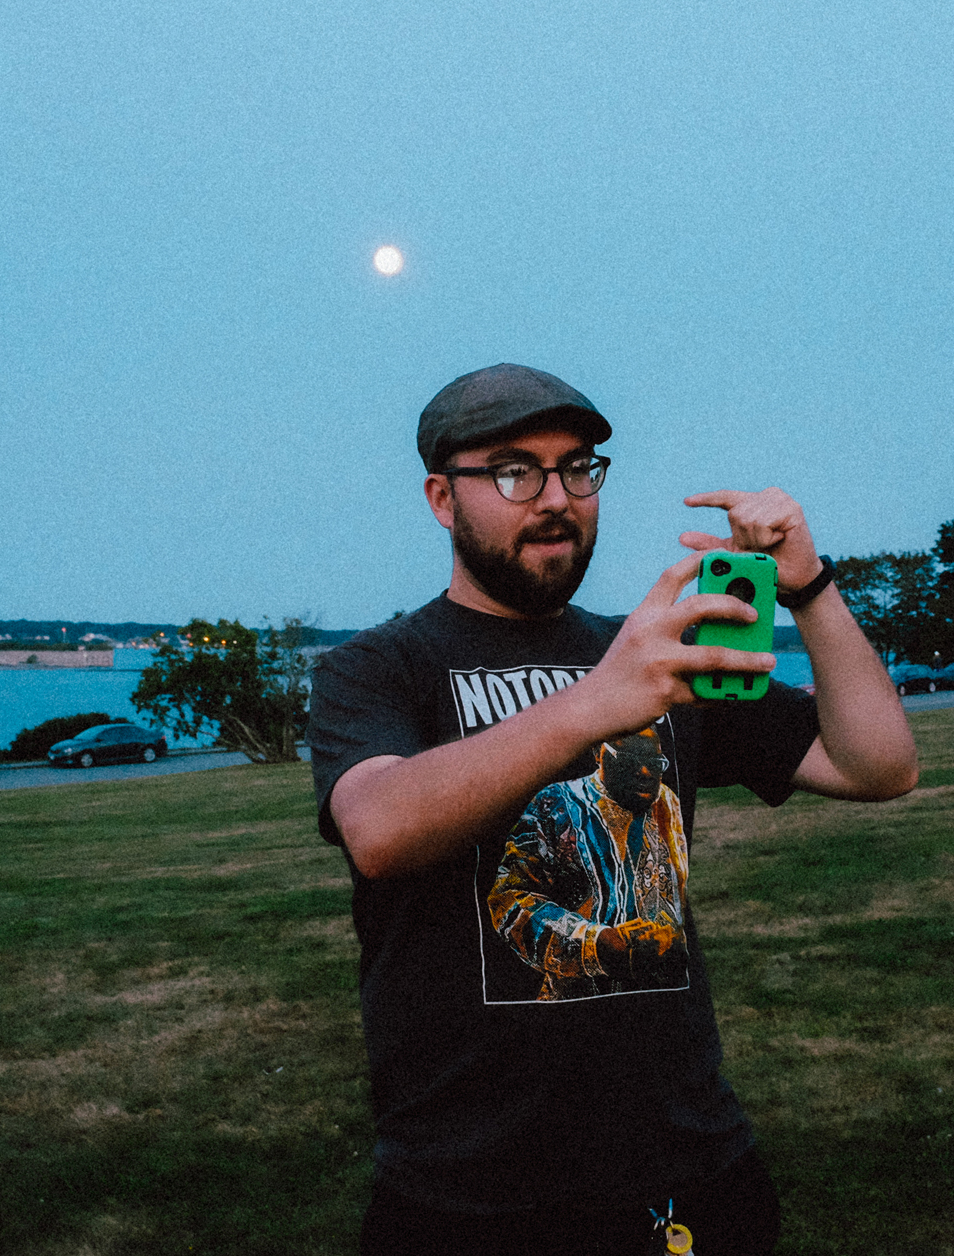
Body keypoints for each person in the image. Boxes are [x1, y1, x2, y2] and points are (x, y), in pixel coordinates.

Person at [309, 363, 919, 1255]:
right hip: (469, 1192)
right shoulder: (381, 665)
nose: (556, 497)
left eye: (579, 468)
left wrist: (811, 589)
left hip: (689, 1166)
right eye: (516, 471)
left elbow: (878, 765)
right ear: (444, 499)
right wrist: (597, 703)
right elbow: (379, 828)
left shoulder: (648, 658)